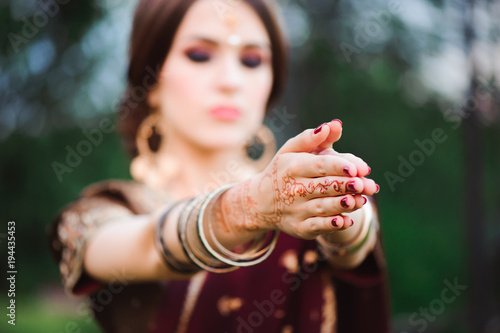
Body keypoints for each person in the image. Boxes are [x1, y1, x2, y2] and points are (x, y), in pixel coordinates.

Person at [48, 0, 390, 332]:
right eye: (200, 55)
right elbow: (149, 248)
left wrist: (343, 201)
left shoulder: (301, 199)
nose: (231, 80)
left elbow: (353, 248)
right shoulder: (101, 213)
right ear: (150, 81)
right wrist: (249, 208)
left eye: (253, 60)